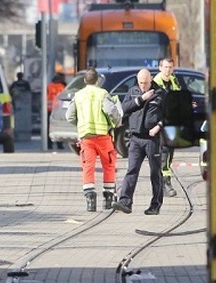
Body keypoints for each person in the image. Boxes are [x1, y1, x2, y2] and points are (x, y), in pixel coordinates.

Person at [112, 68, 166, 215]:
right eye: (141, 82)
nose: (143, 86)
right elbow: (123, 109)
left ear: (151, 79)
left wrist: (158, 127)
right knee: (131, 170)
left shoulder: (160, 93)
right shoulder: (133, 91)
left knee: (155, 172)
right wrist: (140, 99)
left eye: (146, 83)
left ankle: (155, 205)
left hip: (152, 139)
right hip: (135, 138)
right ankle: (125, 202)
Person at [65, 68, 117, 211]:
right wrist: (115, 123)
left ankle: (90, 198)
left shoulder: (78, 95)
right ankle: (108, 198)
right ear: (97, 81)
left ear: (84, 81)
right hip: (103, 137)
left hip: (86, 138)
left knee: (88, 167)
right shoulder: (103, 93)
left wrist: (80, 123)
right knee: (109, 165)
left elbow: (69, 116)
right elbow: (111, 111)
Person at [153, 57, 185, 197]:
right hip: (160, 124)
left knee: (169, 155)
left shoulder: (174, 81)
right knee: (164, 154)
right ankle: (165, 183)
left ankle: (161, 183)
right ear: (160, 68)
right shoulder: (155, 84)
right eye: (165, 67)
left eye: (170, 67)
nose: (168, 70)